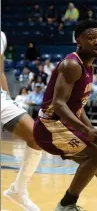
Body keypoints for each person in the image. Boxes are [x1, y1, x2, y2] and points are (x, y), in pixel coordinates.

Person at [32, 20, 97, 211]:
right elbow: (59, 104)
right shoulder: (72, 64)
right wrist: (87, 131)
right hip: (49, 127)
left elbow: (78, 108)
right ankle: (66, 204)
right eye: (91, 38)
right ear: (79, 40)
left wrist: (91, 130)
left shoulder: (89, 67)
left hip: (64, 126)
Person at [1, 32, 42, 211]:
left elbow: (0, 71)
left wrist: (7, 97)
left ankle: (18, 189)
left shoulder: (1, 36)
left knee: (36, 137)